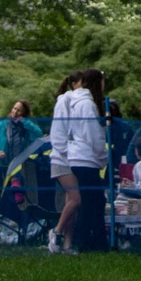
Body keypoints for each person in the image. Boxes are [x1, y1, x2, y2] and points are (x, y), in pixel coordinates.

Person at [67, 69, 108, 252]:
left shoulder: (75, 103)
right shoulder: (87, 105)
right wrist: (102, 156)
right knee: (93, 201)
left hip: (77, 156)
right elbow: (93, 134)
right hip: (86, 158)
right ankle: (85, 242)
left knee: (92, 201)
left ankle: (92, 241)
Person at [48, 70, 84, 254]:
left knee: (70, 202)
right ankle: (56, 232)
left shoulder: (79, 103)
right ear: (75, 83)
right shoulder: (64, 101)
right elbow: (59, 130)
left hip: (73, 157)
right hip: (62, 159)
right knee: (76, 198)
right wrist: (65, 150)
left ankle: (68, 244)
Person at [0, 101, 43, 197]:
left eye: (19, 110)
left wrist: (25, 122)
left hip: (20, 167)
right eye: (14, 108)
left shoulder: (27, 128)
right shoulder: (2, 126)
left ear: (23, 114)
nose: (15, 112)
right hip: (3, 166)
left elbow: (38, 134)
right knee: (1, 195)